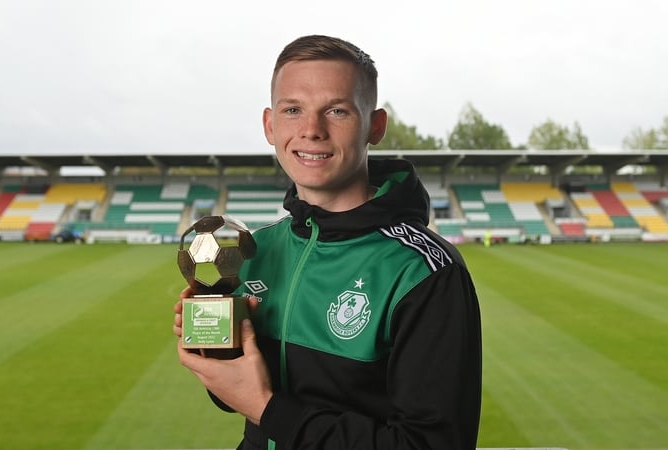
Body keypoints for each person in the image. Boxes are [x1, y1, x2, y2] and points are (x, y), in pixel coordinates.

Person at [174, 34, 482, 449]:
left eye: (336, 111)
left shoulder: (425, 272)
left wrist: (268, 408)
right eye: (293, 110)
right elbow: (239, 397)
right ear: (270, 124)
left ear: (375, 126)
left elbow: (430, 444)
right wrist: (219, 350)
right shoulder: (255, 251)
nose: (311, 130)